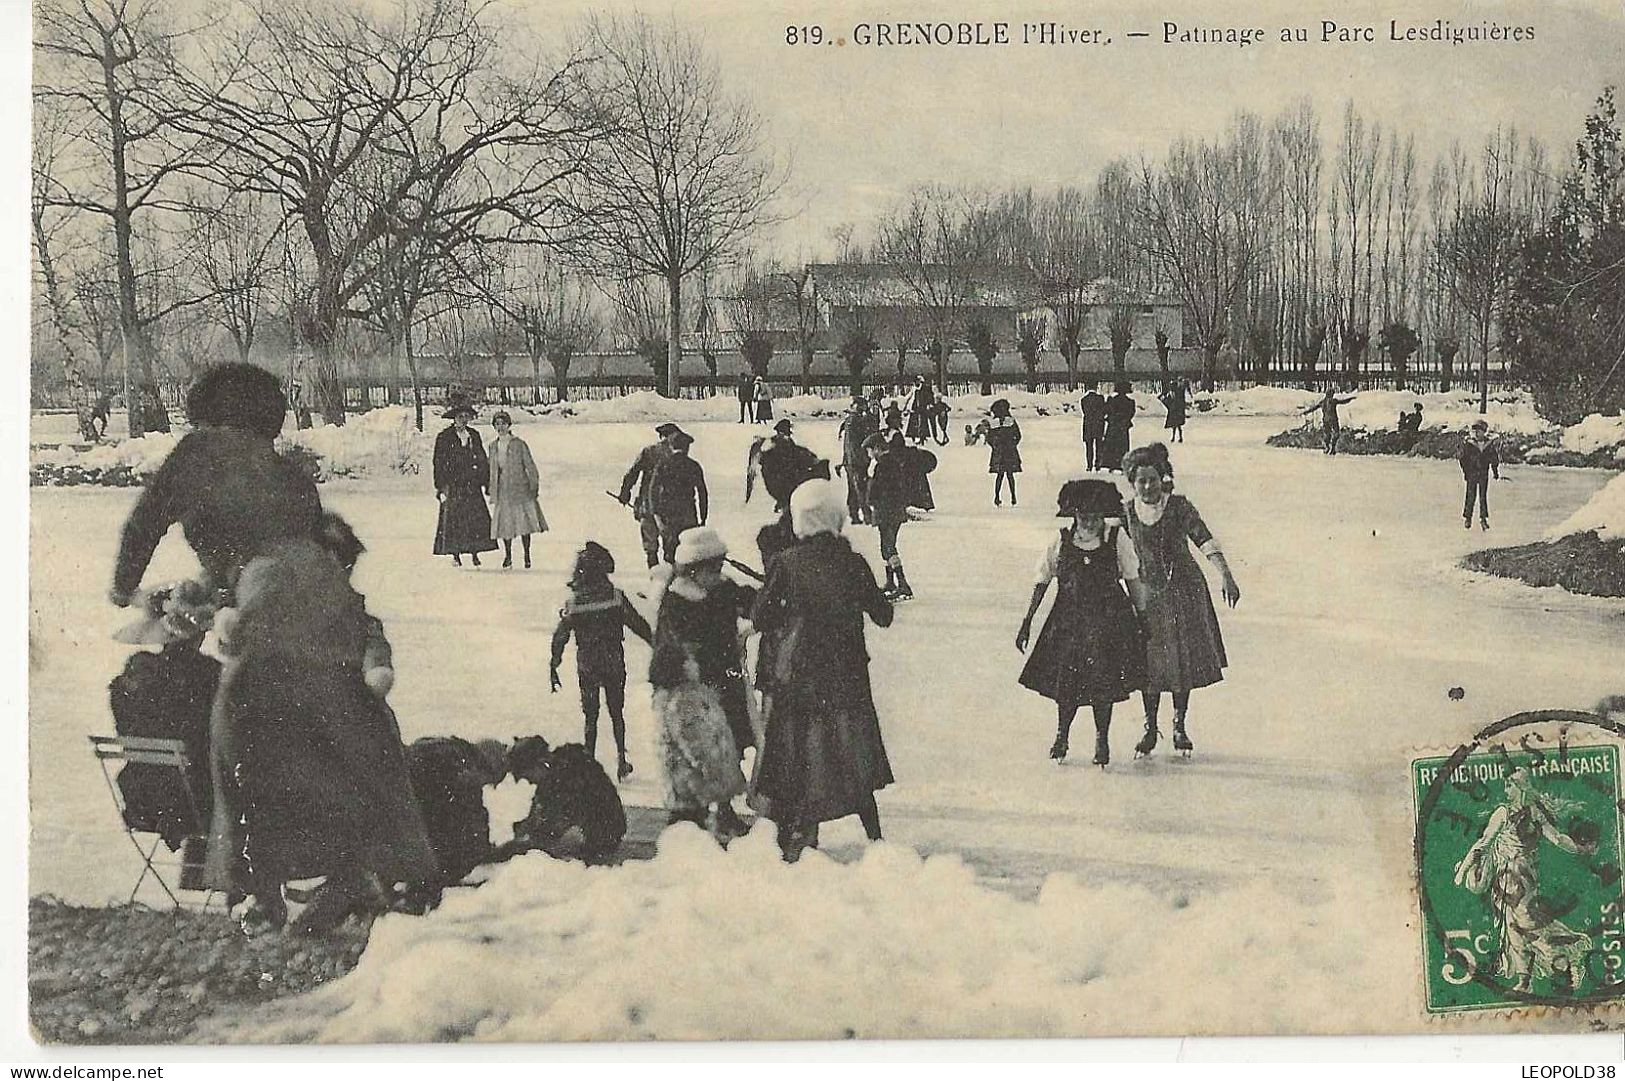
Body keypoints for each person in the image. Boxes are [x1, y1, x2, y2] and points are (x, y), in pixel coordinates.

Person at [108, 363, 433, 931]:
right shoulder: (288, 472)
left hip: (271, 595)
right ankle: (372, 870)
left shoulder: (198, 451)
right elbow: (283, 553)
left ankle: (256, 891)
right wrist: (212, 592)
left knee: (239, 735)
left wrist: (123, 587)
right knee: (342, 727)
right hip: (328, 599)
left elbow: (148, 522)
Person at [749, 479, 894, 859]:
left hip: (796, 675)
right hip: (846, 674)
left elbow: (761, 615)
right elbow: (884, 615)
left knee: (795, 754)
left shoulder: (786, 563)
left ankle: (797, 837)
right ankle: (875, 837)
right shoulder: (853, 563)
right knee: (850, 753)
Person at [1015, 479, 1148, 767]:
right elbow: (1042, 580)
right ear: (1073, 514)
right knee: (1068, 684)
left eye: (1095, 514)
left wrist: (1143, 618)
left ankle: (1102, 739)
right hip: (1069, 623)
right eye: (1083, 514)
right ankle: (1062, 733)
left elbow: (1133, 580)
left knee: (1105, 683)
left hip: (1108, 623)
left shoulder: (1116, 539)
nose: (1089, 520)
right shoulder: (1061, 541)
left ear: (1104, 515)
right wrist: (1027, 620)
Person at [1121, 445, 1240, 759]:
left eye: (1153, 480)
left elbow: (1204, 538)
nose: (1147, 487)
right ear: (1132, 483)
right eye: (1141, 481)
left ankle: (1179, 724)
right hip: (1146, 593)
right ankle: (1149, 727)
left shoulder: (1179, 506)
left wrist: (1225, 574)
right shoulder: (1126, 511)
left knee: (1179, 659)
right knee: (1148, 662)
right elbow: (1112, 550)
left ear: (1163, 478)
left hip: (1182, 591)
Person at [648, 527, 757, 836]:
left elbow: (754, 603)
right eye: (713, 568)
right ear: (694, 570)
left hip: (725, 677)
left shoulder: (722, 589)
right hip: (692, 686)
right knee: (697, 749)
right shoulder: (676, 601)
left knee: (730, 744)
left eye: (720, 567)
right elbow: (667, 647)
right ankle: (691, 814)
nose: (717, 574)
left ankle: (724, 808)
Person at [550, 542, 653, 782]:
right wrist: (656, 644)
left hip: (587, 663)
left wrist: (553, 664)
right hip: (614, 661)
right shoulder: (615, 597)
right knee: (617, 713)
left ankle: (589, 763)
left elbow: (560, 636)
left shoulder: (574, 603)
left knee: (591, 716)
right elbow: (639, 625)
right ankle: (621, 759)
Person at [432, 396, 498, 568]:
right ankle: (455, 554)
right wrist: (440, 486)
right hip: (454, 485)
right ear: (454, 418)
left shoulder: (474, 435)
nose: (463, 420)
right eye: (460, 417)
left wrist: (486, 481)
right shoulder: (444, 437)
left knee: (474, 519)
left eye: (466, 417)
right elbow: (438, 462)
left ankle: (474, 552)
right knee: (454, 520)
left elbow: (482, 458)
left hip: (471, 484)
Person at [487, 411, 547, 569]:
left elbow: (530, 466)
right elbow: (492, 469)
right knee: (506, 524)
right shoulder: (493, 446)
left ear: (509, 425)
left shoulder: (519, 444)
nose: (501, 427)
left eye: (503, 424)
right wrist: (491, 487)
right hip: (502, 490)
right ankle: (508, 556)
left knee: (523, 523)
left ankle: (527, 554)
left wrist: (534, 486)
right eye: (497, 424)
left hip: (520, 488)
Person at [618, 423, 682, 569]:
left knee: (650, 548)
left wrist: (625, 492)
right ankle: (668, 581)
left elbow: (632, 473)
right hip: (669, 509)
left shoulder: (648, 452)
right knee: (670, 548)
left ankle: (655, 577)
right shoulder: (677, 454)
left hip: (647, 506)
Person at [865, 432, 920, 601]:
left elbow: (877, 489)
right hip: (893, 510)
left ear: (876, 449)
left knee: (888, 548)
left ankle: (903, 585)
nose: (868, 454)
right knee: (887, 546)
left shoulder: (883, 465)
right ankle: (891, 582)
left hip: (887, 511)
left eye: (869, 450)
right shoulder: (892, 462)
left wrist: (870, 487)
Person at [648, 431, 709, 565]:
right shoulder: (694, 466)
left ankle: (670, 583)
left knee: (669, 555)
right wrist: (703, 518)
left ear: (671, 446)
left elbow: (652, 492)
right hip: (688, 517)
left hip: (668, 518)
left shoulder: (662, 465)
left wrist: (657, 517)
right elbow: (702, 493)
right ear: (687, 447)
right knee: (688, 554)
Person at [838, 397, 878, 525]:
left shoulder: (849, 421)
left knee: (853, 489)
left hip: (849, 460)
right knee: (861, 488)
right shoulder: (858, 421)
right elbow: (868, 434)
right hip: (857, 461)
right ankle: (867, 516)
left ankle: (854, 514)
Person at [1459, 419, 1502, 530]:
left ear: (1484, 431)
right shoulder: (1469, 444)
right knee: (1470, 496)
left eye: (1479, 431)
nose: (1477, 433)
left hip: (1483, 474)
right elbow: (1463, 459)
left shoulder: (1489, 445)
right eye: (1475, 431)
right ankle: (1468, 518)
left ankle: (1483, 519)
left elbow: (1494, 459)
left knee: (1483, 496)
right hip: (1472, 474)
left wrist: (1495, 471)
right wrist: (1466, 472)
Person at [983, 398, 1023, 506]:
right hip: (1009, 452)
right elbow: (1018, 435)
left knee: (1000, 476)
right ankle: (1013, 496)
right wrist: (1012, 444)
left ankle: (997, 497)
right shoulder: (1011, 421)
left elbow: (989, 438)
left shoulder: (994, 423)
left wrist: (995, 446)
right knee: (1010, 475)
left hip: (999, 453)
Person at [1301, 387, 1358, 455]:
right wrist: (1351, 398)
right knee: (1336, 433)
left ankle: (1327, 447)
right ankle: (1332, 448)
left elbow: (1314, 408)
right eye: (1332, 394)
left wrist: (1306, 412)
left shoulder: (1322, 402)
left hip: (1325, 420)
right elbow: (1343, 401)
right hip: (1333, 420)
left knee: (1327, 434)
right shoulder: (1334, 401)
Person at [1102, 382, 1136, 470]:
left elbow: (1107, 411)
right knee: (1123, 446)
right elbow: (1131, 413)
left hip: (1113, 425)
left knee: (1112, 445)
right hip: (1123, 426)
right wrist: (1124, 420)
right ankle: (1122, 464)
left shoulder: (1112, 400)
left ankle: (1111, 464)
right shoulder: (1130, 402)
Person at [1079, 382, 1108, 471]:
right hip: (1098, 424)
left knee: (1089, 446)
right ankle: (1098, 463)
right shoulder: (1100, 398)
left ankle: (1089, 465)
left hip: (1088, 424)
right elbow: (1104, 410)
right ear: (1096, 387)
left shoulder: (1084, 399)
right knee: (1099, 445)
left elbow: (1084, 412)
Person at [906, 376, 936, 444]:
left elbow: (929, 397)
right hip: (916, 409)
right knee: (915, 424)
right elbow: (914, 399)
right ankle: (915, 437)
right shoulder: (916, 390)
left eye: (918, 381)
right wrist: (911, 408)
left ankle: (922, 438)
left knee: (922, 424)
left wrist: (929, 404)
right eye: (916, 381)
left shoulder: (925, 389)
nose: (916, 383)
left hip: (923, 409)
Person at [1160, 379, 1189, 443]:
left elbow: (1171, 401)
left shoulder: (1177, 393)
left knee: (1176, 425)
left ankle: (1177, 437)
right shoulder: (1176, 393)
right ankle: (1177, 437)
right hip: (1175, 411)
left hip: (1175, 411)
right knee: (1176, 425)